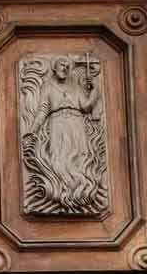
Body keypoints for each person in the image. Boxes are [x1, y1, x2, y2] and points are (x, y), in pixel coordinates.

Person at [33, 56, 101, 209]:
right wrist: (32, 130)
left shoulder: (76, 88)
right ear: (54, 69)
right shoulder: (48, 87)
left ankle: (82, 192)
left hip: (76, 123)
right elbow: (42, 110)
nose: (64, 68)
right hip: (57, 123)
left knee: (81, 156)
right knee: (58, 157)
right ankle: (61, 194)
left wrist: (95, 89)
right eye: (61, 65)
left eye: (67, 66)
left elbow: (86, 106)